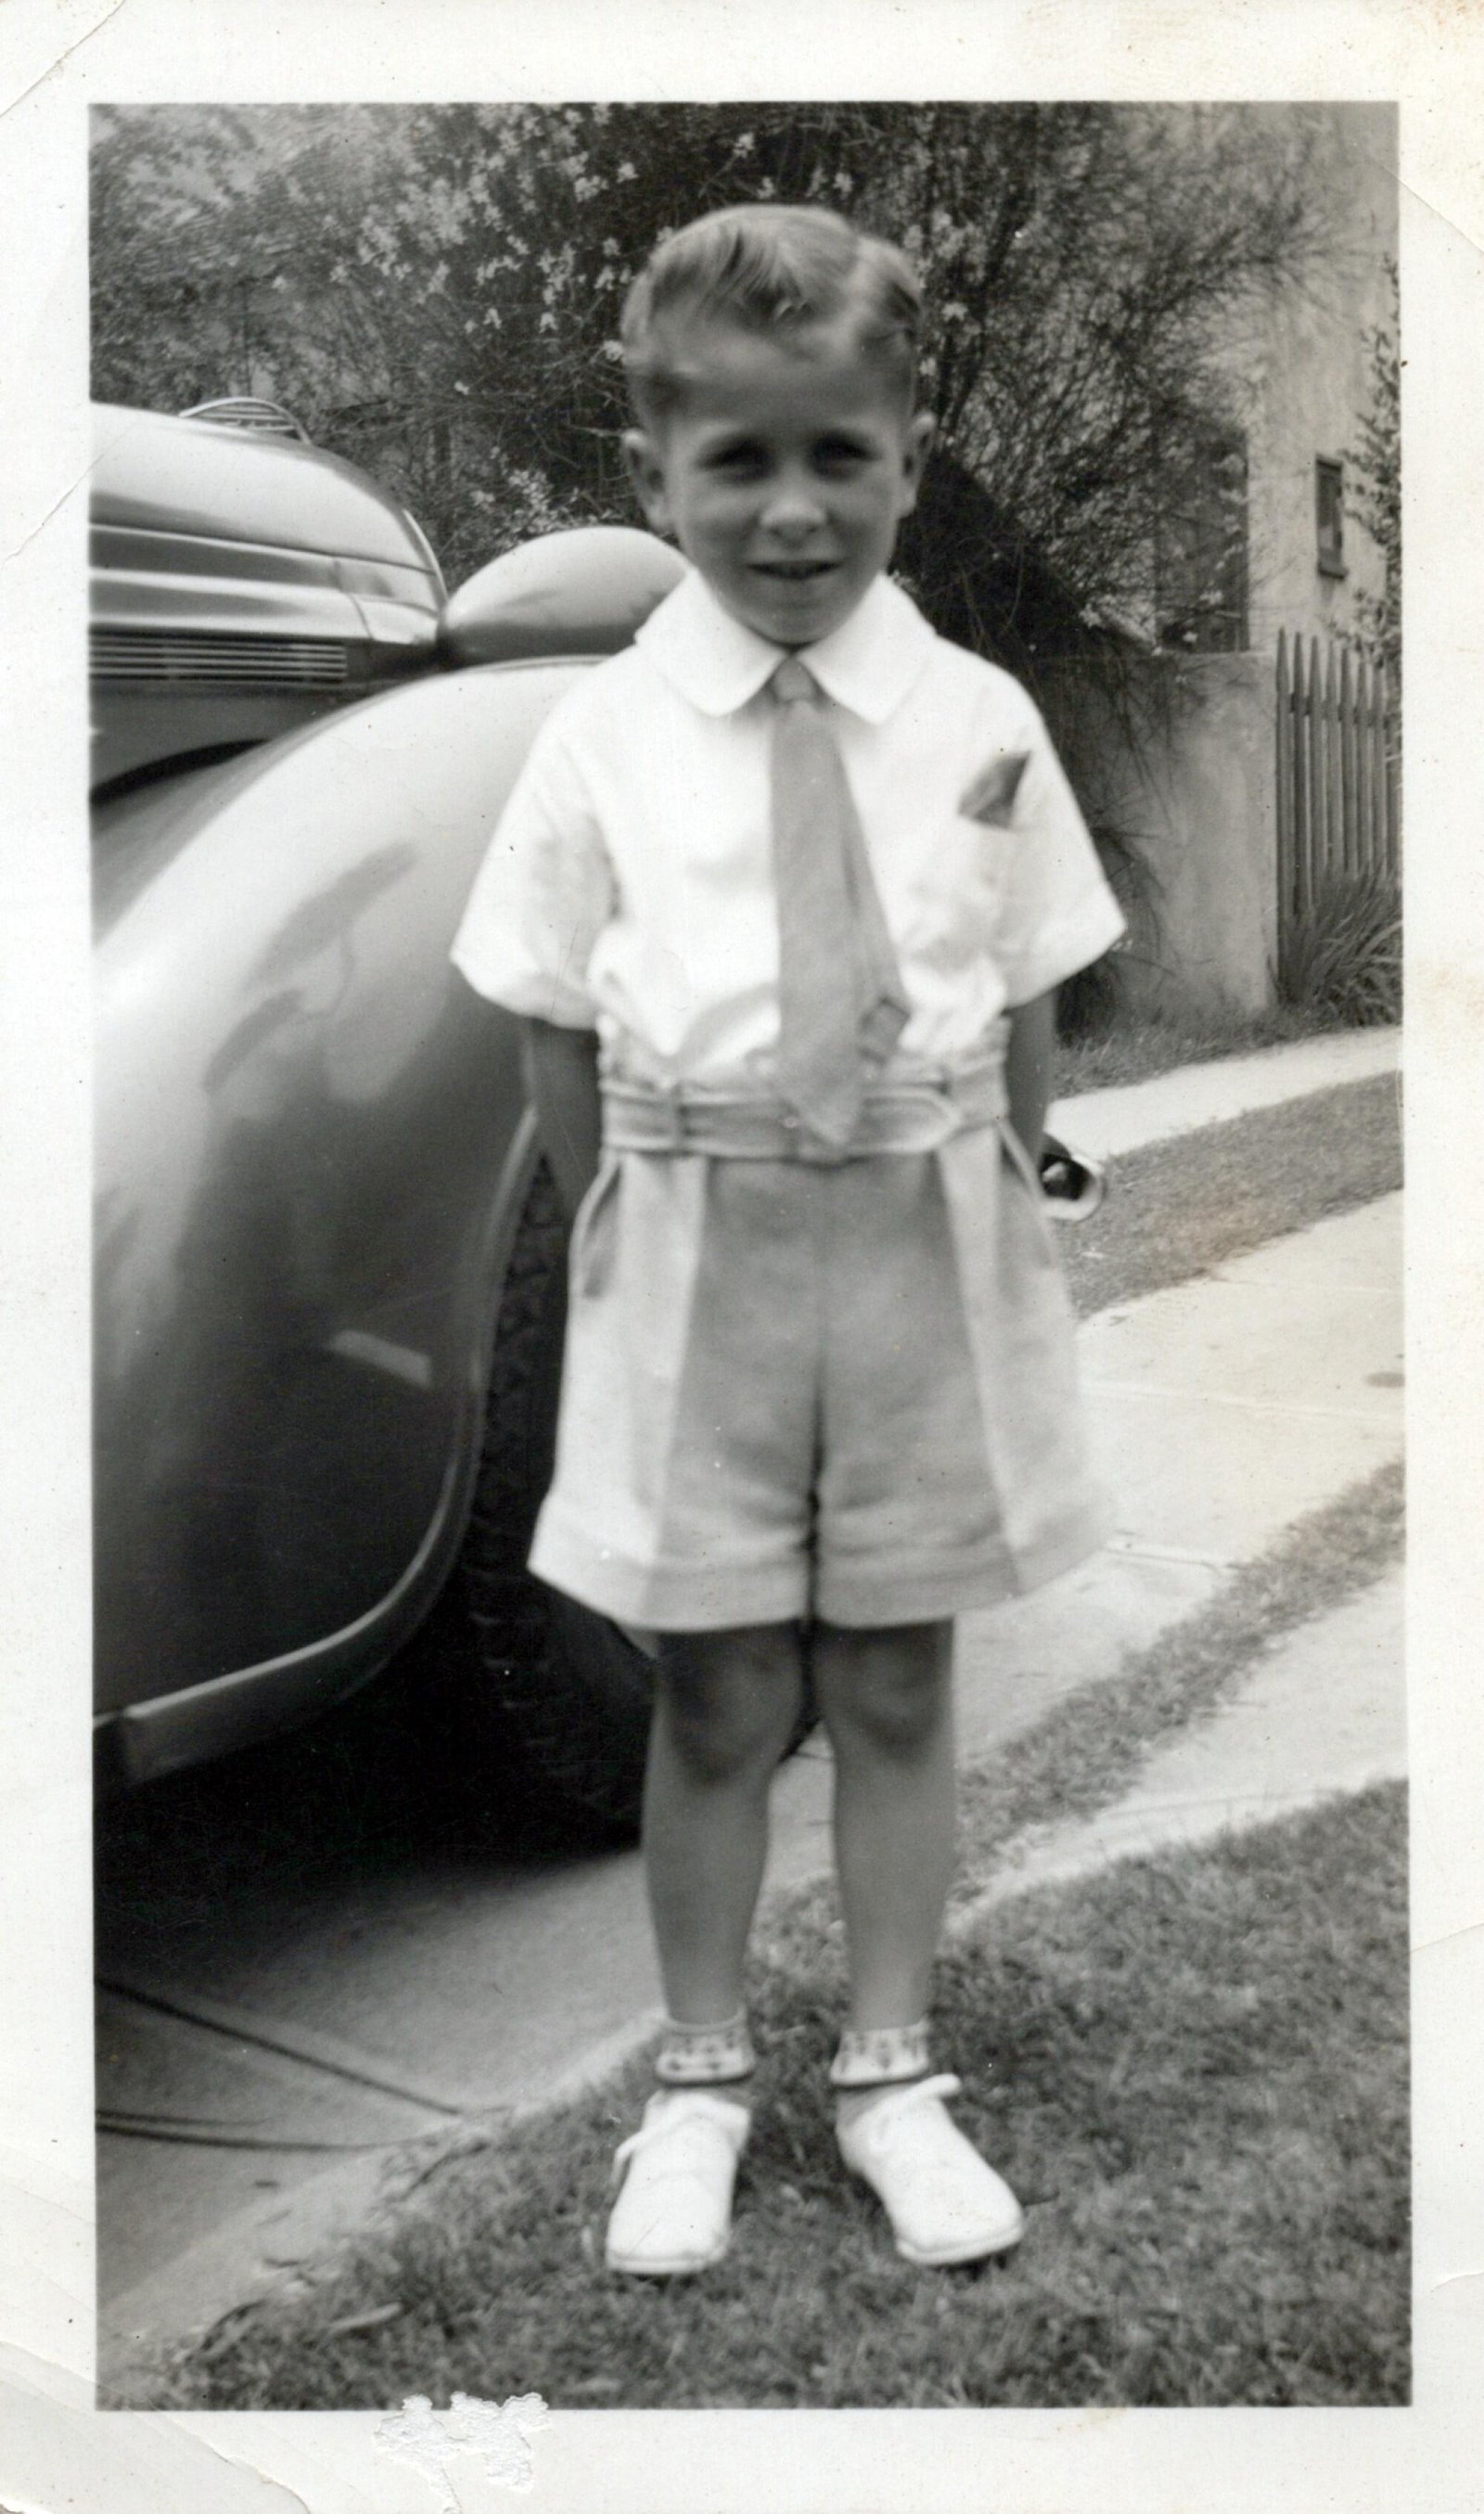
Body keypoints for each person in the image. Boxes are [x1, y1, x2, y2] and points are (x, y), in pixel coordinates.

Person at [452, 202, 1125, 2278]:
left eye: (838, 451)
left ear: (908, 457)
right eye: (734, 459)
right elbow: (556, 1017)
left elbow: (1018, 1003)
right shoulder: (599, 737)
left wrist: (991, 1205)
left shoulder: (982, 718)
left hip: (921, 1243)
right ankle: (697, 2076)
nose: (792, 505)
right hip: (698, 1241)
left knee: (900, 1680)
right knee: (723, 1689)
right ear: (651, 477)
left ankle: (892, 2069)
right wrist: (630, 1224)